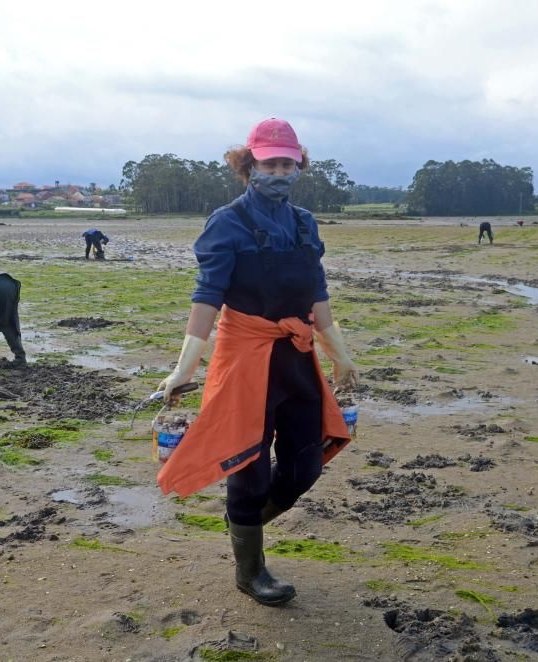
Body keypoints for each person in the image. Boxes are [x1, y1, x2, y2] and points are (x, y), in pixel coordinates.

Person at [155, 118, 358, 607]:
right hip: (245, 356)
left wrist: (342, 354)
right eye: (270, 163)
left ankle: (242, 520)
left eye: (288, 162)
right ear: (250, 165)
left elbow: (318, 294)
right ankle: (251, 571)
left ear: (298, 164)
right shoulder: (227, 222)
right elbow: (207, 298)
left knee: (303, 468)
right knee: (248, 468)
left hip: (296, 354)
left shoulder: (305, 223)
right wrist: (185, 368)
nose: (280, 171)